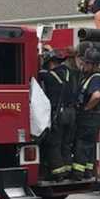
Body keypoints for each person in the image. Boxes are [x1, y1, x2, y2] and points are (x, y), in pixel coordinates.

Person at [37, 48, 76, 181]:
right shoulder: (70, 73)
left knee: (54, 143)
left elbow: (36, 74)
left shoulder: (47, 75)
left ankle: (58, 173)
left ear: (50, 62)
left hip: (59, 114)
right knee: (66, 144)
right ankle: (68, 170)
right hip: (72, 113)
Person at [72, 48, 100, 181]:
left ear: (93, 65)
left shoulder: (96, 77)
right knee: (89, 144)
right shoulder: (91, 76)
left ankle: (78, 173)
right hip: (94, 116)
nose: (83, 65)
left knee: (82, 143)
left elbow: (97, 95)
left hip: (90, 116)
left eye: (86, 63)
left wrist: (86, 108)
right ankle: (87, 171)